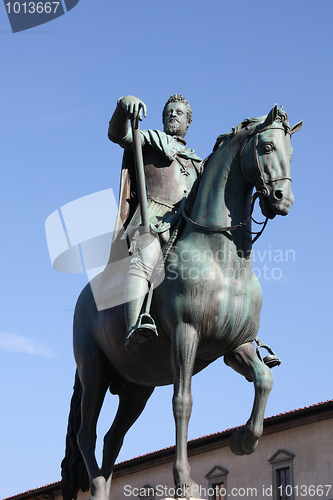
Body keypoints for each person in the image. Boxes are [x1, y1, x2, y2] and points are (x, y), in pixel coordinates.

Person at [108, 94, 202, 351]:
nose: (173, 114)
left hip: (184, 225)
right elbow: (119, 136)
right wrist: (122, 107)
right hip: (152, 219)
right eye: (169, 111)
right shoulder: (150, 139)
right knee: (147, 253)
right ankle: (133, 326)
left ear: (188, 122)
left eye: (179, 112)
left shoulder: (197, 162)